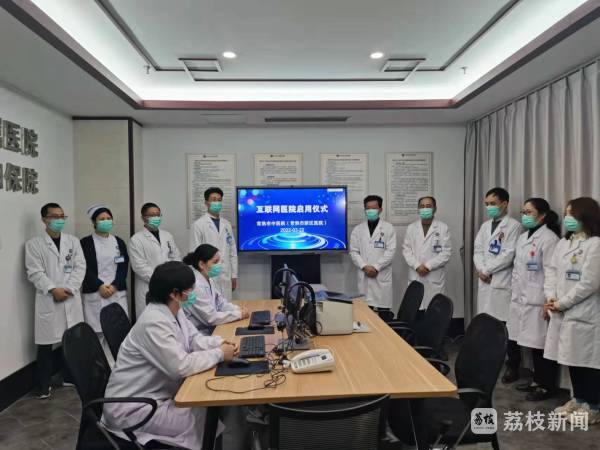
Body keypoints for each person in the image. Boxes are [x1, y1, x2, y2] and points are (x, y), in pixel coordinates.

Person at [102, 261, 239, 448]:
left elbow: (194, 339)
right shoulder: (153, 322)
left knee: (212, 409)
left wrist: (221, 343)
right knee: (207, 417)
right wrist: (219, 354)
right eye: (190, 289)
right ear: (174, 294)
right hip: (134, 408)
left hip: (157, 395)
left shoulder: (174, 310)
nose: (193, 293)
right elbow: (180, 366)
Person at [544, 197, 600, 424]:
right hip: (561, 310)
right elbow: (551, 271)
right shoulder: (563, 243)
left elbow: (589, 283)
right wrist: (550, 297)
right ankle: (578, 399)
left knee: (588, 362)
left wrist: (562, 303)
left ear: (585, 216)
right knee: (572, 358)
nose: (567, 218)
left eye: (572, 214)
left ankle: (593, 407)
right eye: (566, 213)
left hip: (584, 311)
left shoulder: (595, 244)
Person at [25, 203, 86, 399]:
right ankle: (43, 385)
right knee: (46, 343)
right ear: (44, 219)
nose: (59, 220)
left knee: (72, 339)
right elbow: (35, 272)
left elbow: (80, 267)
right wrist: (53, 289)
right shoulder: (34, 244)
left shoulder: (73, 241)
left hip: (70, 296)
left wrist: (69, 288)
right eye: (54, 216)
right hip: (49, 298)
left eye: (62, 216)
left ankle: (70, 377)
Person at [506, 198, 560, 401]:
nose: (524, 216)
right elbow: (517, 270)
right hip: (521, 298)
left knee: (541, 345)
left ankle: (546, 386)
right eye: (523, 212)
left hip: (539, 300)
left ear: (542, 215)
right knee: (531, 343)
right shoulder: (522, 238)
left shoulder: (549, 239)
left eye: (529, 212)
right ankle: (537, 380)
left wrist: (549, 300)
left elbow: (551, 273)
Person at [473, 187, 521, 383]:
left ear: (504, 204)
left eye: (493, 203)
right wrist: (481, 269)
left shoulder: (514, 226)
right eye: (487, 204)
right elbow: (477, 250)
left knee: (505, 326)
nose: (489, 207)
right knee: (487, 324)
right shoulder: (485, 226)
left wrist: (487, 270)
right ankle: (488, 360)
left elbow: (509, 254)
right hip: (486, 280)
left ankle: (512, 366)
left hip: (501, 280)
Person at [80, 204, 129, 362]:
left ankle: (119, 365)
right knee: (98, 333)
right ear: (94, 222)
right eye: (102, 219)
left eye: (108, 218)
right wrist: (99, 285)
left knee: (118, 331)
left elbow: (123, 267)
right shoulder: (85, 243)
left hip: (116, 292)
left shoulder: (119, 242)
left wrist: (114, 285)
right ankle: (102, 367)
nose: (106, 221)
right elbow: (83, 267)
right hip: (96, 292)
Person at [182, 244, 249, 334]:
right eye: (215, 262)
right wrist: (239, 314)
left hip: (211, 329)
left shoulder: (208, 279)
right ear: (201, 264)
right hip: (199, 333)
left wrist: (238, 309)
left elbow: (221, 303)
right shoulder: (195, 285)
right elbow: (211, 318)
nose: (219, 265)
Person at [129, 203, 181, 318]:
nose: (156, 217)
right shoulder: (136, 239)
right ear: (143, 218)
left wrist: (174, 276)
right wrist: (162, 279)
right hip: (148, 287)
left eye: (158, 214)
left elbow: (176, 257)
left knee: (169, 320)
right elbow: (139, 267)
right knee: (151, 320)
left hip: (169, 286)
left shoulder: (167, 236)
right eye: (152, 215)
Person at [402, 196, 452, 311]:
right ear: (418, 209)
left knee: (433, 310)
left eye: (428, 206)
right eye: (422, 206)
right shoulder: (411, 228)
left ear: (435, 209)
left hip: (434, 276)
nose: (425, 209)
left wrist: (428, 266)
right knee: (415, 310)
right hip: (416, 274)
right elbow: (406, 250)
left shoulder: (443, 228)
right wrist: (417, 266)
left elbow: (446, 253)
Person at [189, 187, 238, 302]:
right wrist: (197, 279)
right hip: (207, 275)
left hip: (225, 276)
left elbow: (232, 251)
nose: (217, 203)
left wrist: (234, 275)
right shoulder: (198, 225)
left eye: (219, 200)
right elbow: (194, 254)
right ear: (206, 202)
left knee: (226, 306)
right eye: (213, 199)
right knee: (210, 307)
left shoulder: (227, 224)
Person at [349, 195, 397, 311]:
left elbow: (390, 252)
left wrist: (376, 267)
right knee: (365, 312)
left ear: (380, 209)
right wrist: (364, 266)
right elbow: (354, 251)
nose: (370, 211)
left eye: (374, 208)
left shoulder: (388, 228)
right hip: (364, 275)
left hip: (381, 276)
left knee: (383, 313)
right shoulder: (358, 229)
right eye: (368, 208)